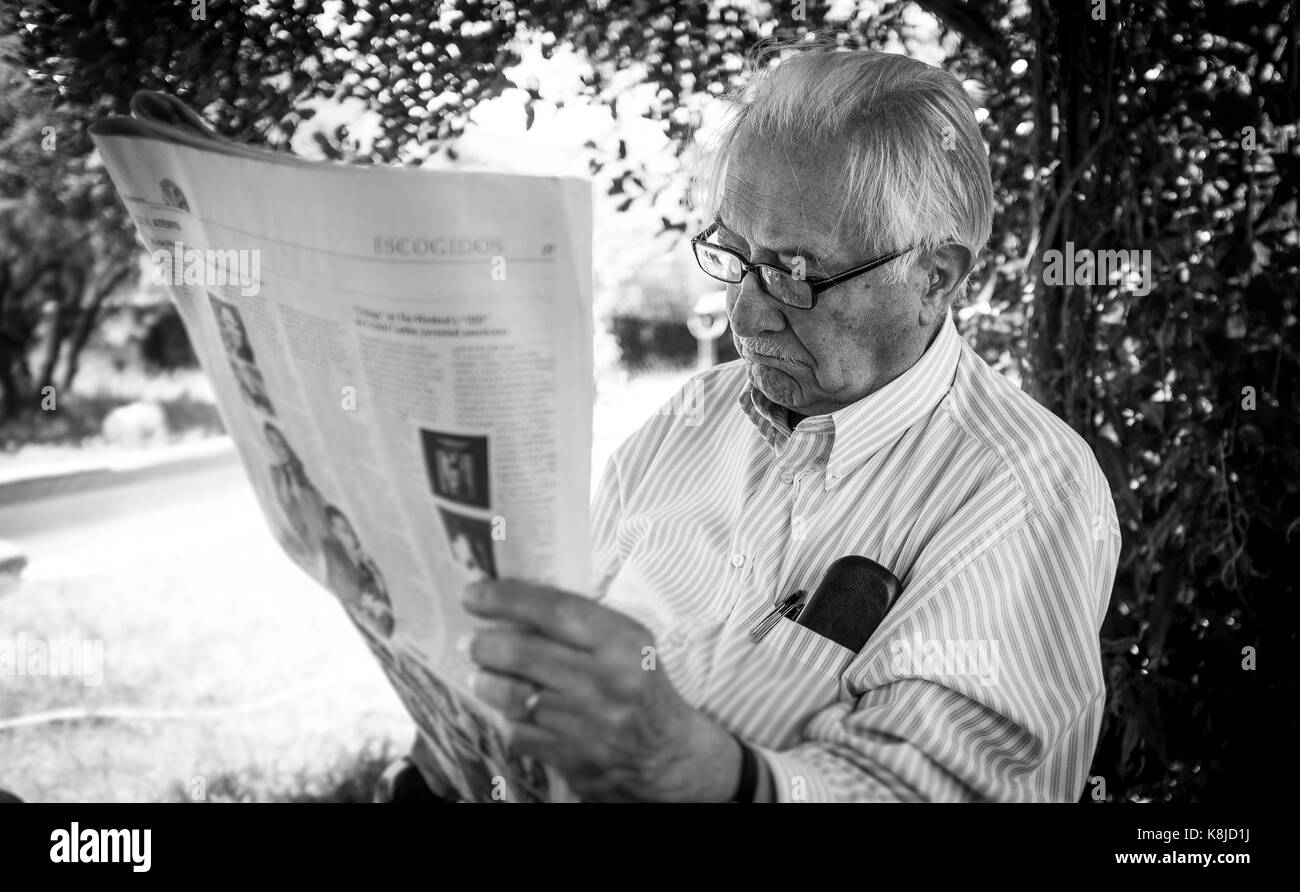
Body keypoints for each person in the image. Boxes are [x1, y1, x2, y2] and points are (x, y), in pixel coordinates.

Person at [452, 43, 1122, 803]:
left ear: (934, 276)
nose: (745, 311)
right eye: (734, 256)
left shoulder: (1025, 486)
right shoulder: (690, 419)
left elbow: (940, 790)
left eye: (795, 273)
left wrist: (694, 771)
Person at [320, 505, 394, 637]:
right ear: (334, 532)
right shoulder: (344, 575)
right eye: (344, 530)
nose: (352, 535)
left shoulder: (358, 559)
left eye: (350, 530)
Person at [263, 422, 329, 562]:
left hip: (321, 531)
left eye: (280, 440)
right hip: (306, 538)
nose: (279, 446)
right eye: (273, 442)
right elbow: (284, 504)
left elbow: (320, 501)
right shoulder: (277, 474)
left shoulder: (301, 465)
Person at [211, 295, 254, 363]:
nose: (236, 326)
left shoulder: (250, 342)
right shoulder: (228, 347)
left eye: (236, 320)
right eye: (228, 322)